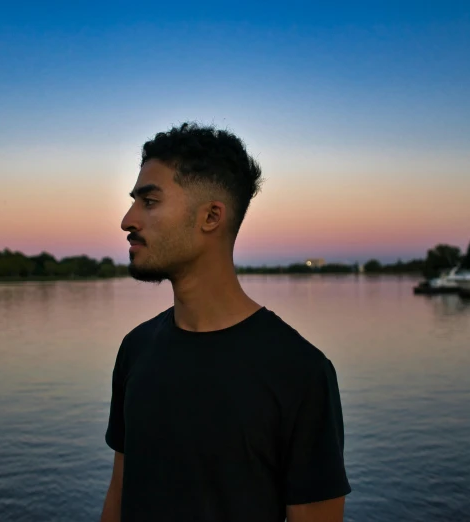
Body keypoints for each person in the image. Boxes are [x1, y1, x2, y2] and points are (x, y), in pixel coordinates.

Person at [100, 123, 351, 522]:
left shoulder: (300, 372)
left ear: (211, 216)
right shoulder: (137, 349)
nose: (127, 220)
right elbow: (119, 493)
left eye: (148, 202)